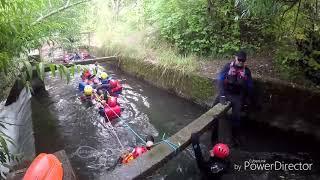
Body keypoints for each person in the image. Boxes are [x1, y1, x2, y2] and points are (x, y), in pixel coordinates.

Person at [215, 50, 253, 131]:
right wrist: (222, 95)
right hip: (226, 93)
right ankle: (213, 130)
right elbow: (220, 80)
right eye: (239, 59)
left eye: (243, 60)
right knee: (213, 112)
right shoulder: (227, 67)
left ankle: (235, 136)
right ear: (235, 58)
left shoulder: (247, 71)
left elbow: (249, 86)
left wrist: (248, 98)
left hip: (237, 95)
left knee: (236, 117)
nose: (241, 62)